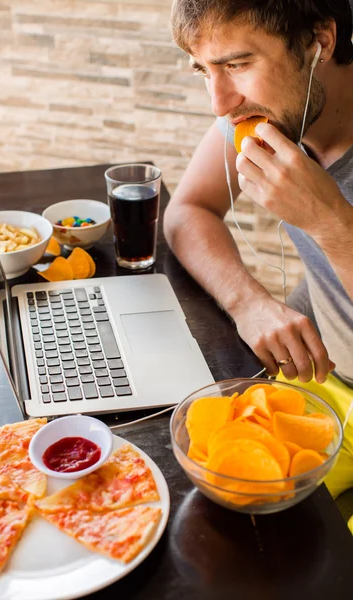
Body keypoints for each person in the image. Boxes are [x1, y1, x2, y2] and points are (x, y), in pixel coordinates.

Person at [164, 0, 353, 389]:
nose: (219, 103)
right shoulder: (272, 112)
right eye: (204, 70)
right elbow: (188, 209)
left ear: (320, 41)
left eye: (237, 65)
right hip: (323, 371)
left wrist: (329, 222)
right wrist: (248, 303)